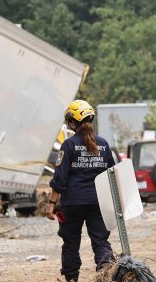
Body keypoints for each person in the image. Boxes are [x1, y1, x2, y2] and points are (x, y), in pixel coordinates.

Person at [47, 100, 117, 282]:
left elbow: (60, 179)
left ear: (73, 122)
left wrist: (51, 204)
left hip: (72, 204)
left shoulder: (68, 145)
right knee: (101, 242)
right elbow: (113, 174)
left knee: (70, 243)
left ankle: (71, 279)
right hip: (99, 203)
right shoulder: (103, 144)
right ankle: (107, 275)